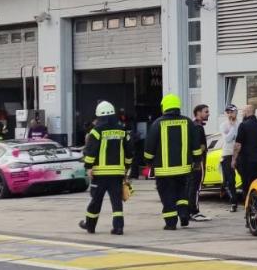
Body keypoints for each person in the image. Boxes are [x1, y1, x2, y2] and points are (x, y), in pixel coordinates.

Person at [143, 94, 202, 230]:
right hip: (184, 169)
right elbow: (196, 145)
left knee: (167, 195)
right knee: (182, 193)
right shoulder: (188, 122)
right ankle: (184, 215)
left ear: (165, 107)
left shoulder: (157, 123)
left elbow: (149, 146)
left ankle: (171, 223)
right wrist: (197, 161)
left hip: (164, 171)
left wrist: (148, 161)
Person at [79, 101, 133, 236]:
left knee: (96, 200)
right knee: (116, 201)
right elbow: (129, 152)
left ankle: (90, 225)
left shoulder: (96, 132)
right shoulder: (122, 130)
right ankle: (118, 227)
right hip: (117, 173)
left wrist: (88, 167)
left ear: (100, 116)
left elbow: (91, 152)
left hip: (100, 174)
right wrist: (126, 168)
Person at [232, 104, 257, 205]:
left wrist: (234, 159)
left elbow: (238, 144)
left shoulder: (243, 125)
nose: (242, 113)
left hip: (247, 161)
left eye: (243, 111)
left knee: (247, 185)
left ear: (247, 112)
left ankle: (249, 207)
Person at [188, 104, 210, 222]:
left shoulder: (192, 125)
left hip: (193, 161)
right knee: (196, 187)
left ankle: (189, 210)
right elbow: (198, 146)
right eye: (206, 112)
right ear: (198, 113)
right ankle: (194, 211)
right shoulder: (197, 127)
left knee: (192, 186)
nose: (208, 114)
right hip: (198, 161)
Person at [220, 104, 240, 212]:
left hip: (239, 154)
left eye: (231, 111)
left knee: (244, 178)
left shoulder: (240, 124)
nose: (229, 114)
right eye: (227, 112)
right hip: (227, 154)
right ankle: (233, 202)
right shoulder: (224, 125)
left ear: (236, 112)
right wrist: (232, 127)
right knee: (230, 180)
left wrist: (234, 128)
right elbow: (227, 139)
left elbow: (239, 138)